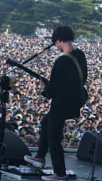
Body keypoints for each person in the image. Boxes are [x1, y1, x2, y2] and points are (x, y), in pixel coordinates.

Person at [24, 26, 87, 181]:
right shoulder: (80, 55)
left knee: (54, 138)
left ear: (59, 40)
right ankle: (39, 157)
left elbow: (51, 91)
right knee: (47, 122)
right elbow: (80, 78)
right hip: (74, 102)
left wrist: (44, 88)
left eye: (56, 43)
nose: (56, 47)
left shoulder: (62, 61)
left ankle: (60, 174)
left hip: (61, 104)